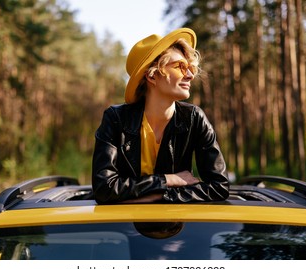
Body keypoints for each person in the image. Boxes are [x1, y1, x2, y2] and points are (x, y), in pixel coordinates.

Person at [92, 28, 229, 204]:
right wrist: (168, 180)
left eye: (190, 67)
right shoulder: (116, 120)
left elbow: (220, 187)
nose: (190, 75)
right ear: (152, 75)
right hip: (124, 227)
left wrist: (160, 196)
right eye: (180, 66)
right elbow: (104, 189)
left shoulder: (194, 118)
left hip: (179, 228)